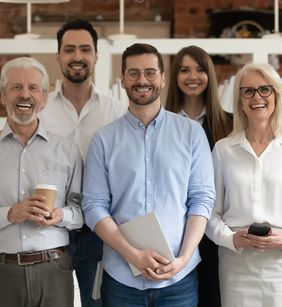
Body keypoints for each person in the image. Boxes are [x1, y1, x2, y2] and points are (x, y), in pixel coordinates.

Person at [82, 43, 215, 307]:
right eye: (133, 73)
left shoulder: (191, 134)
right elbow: (94, 206)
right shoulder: (103, 140)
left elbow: (202, 199)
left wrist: (184, 258)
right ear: (122, 80)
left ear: (163, 78)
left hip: (179, 278)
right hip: (121, 278)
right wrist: (131, 254)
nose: (142, 80)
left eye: (150, 72)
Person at [205, 63, 282, 307]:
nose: (256, 97)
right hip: (237, 265)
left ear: (276, 95)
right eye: (247, 91)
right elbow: (210, 214)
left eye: (264, 90)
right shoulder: (223, 150)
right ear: (239, 100)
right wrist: (231, 239)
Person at [39, 19, 127, 307]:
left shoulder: (117, 112)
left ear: (96, 56)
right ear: (58, 56)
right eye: (70, 49)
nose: (77, 57)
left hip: (100, 230)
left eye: (85, 49)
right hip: (49, 229)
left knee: (97, 303)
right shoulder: (41, 112)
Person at [0, 56, 83, 306]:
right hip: (5, 271)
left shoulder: (67, 150)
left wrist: (60, 216)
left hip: (54, 270)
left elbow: (82, 211)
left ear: (45, 98)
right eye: (16, 87)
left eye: (33, 88)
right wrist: (10, 214)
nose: (25, 95)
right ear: (3, 96)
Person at [165, 45, 233, 307]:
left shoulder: (229, 124)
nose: (192, 76)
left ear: (210, 75)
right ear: (174, 77)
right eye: (184, 70)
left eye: (200, 69)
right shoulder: (161, 124)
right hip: (174, 233)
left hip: (217, 233)